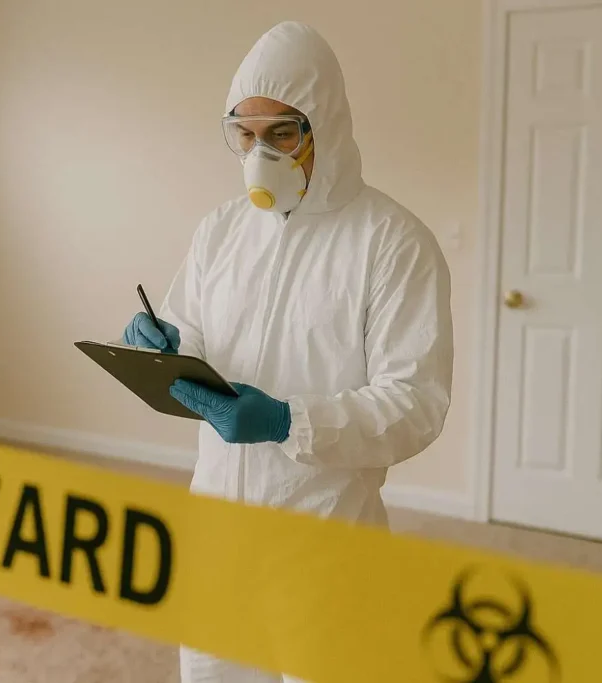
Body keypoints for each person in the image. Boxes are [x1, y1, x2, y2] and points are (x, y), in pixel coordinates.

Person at [120, 21, 454, 683]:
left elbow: (415, 405)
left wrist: (287, 421)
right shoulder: (220, 231)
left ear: (324, 125)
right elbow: (197, 335)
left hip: (325, 548)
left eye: (281, 133)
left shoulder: (392, 243)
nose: (258, 153)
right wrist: (165, 347)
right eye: (243, 134)